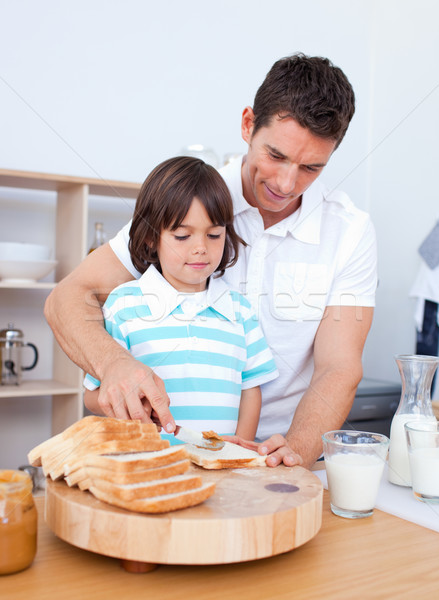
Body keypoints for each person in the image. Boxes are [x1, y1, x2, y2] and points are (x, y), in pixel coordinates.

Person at [45, 53, 377, 468]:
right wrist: (114, 363)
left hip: (279, 459)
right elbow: (67, 298)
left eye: (311, 168)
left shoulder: (349, 230)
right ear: (247, 125)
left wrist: (294, 450)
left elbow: (339, 368)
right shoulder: (189, 200)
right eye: (275, 155)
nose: (286, 183)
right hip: (164, 454)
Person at [83, 156, 278, 442]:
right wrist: (129, 403)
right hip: (147, 465)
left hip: (221, 468)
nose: (201, 248)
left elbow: (251, 390)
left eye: (213, 235)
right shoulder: (123, 305)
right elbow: (92, 395)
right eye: (183, 236)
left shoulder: (240, 311)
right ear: (151, 237)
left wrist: (240, 454)